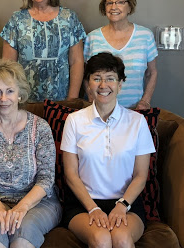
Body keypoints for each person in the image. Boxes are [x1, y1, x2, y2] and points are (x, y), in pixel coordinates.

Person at [61, 52, 155, 247]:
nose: (103, 85)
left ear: (120, 84)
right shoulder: (74, 120)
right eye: (97, 78)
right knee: (102, 238)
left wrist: (122, 205)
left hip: (127, 203)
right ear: (88, 84)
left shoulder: (137, 122)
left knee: (121, 239)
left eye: (110, 79)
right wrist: (93, 208)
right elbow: (71, 174)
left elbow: (140, 175)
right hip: (83, 203)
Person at [0, 59, 61, 248]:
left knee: (21, 241)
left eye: (10, 91)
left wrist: (22, 207)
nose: (3, 98)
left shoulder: (40, 128)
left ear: (20, 94)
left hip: (37, 202)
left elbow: (46, 178)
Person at [1, 0, 86, 102]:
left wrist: (72, 100)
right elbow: (8, 65)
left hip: (62, 101)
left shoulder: (69, 18)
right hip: (24, 101)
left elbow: (76, 61)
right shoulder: (17, 20)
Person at [84, 0, 158, 109]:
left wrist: (145, 101)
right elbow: (86, 74)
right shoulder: (92, 37)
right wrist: (91, 97)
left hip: (134, 111)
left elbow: (152, 73)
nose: (114, 7)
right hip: (99, 110)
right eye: (109, 3)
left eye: (120, 2)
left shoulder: (145, 36)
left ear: (130, 7)